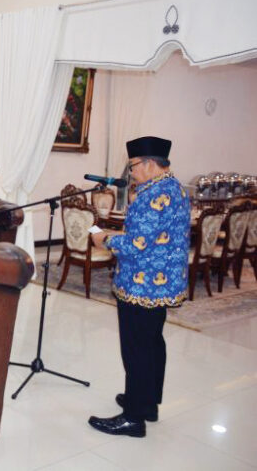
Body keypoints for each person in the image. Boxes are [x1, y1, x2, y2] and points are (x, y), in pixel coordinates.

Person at [88, 136, 190, 438]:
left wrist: (104, 238)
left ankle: (133, 418)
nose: (130, 172)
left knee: (136, 349)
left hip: (143, 283)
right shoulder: (174, 188)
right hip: (161, 283)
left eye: (132, 166)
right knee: (153, 344)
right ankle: (146, 403)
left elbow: (136, 245)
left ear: (148, 163)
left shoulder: (152, 195)